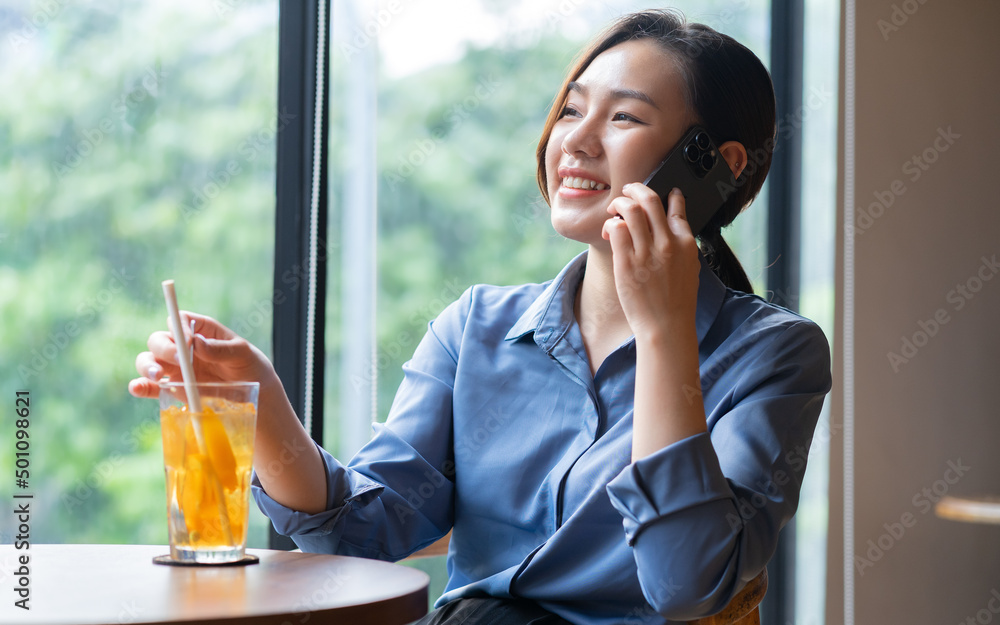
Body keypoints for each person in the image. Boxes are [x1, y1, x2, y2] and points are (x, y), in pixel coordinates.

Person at [129, 9, 831, 625]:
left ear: (716, 164)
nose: (577, 142)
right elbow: (363, 533)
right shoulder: (477, 327)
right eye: (570, 110)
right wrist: (264, 402)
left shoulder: (774, 354)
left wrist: (663, 333)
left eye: (623, 117)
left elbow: (684, 583)